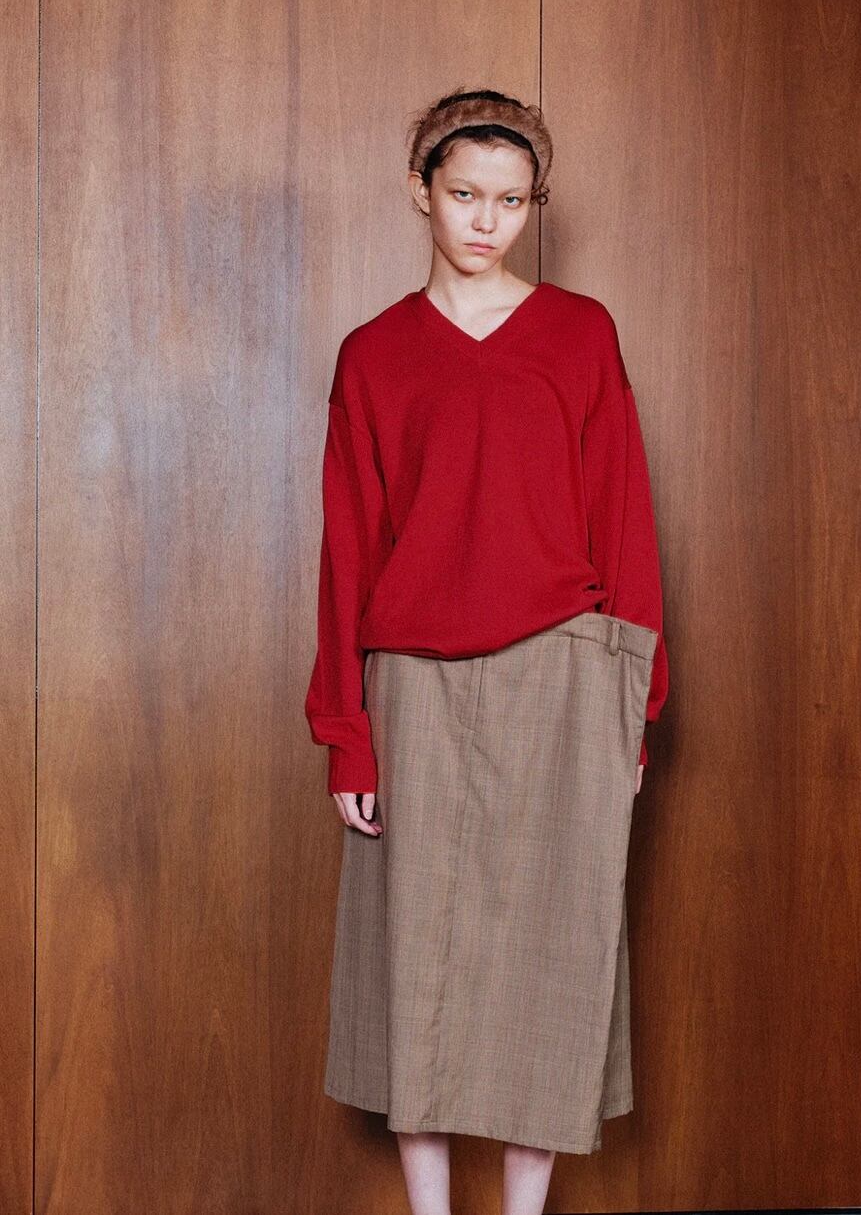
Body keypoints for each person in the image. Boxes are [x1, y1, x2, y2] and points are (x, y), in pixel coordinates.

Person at [304, 86, 669, 1215]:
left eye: (511, 201)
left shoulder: (581, 333)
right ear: (421, 192)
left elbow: (623, 517)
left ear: (532, 206)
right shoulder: (373, 354)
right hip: (411, 682)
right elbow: (348, 548)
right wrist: (346, 734)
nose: (485, 220)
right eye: (464, 193)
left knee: (553, 952)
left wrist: (637, 709)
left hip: (564, 672)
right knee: (412, 954)